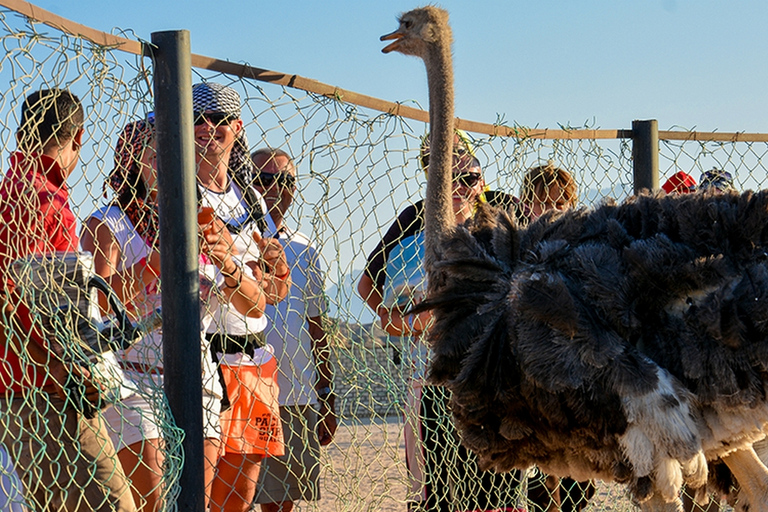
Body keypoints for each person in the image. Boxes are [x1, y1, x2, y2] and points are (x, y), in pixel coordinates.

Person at [81, 117, 273, 511]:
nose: (170, 164)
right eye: (157, 154)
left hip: (197, 376)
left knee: (194, 503)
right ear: (134, 160)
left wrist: (226, 262)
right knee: (154, 500)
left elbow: (255, 306)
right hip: (134, 377)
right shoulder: (107, 223)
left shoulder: (201, 219)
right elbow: (98, 302)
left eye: (179, 155)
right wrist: (158, 259)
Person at [358, 131, 525, 512]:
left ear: (479, 177)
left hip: (494, 374)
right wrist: (392, 318)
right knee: (437, 487)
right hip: (432, 377)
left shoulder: (499, 219)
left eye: (467, 177)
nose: (458, 186)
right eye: (444, 175)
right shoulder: (414, 220)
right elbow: (368, 281)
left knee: (499, 485)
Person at [0, 89, 136, 511]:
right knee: (115, 503)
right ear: (78, 137)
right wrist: (64, 362)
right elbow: (22, 296)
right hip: (48, 389)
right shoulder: (45, 198)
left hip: (25, 385)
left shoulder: (13, 188)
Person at [191, 82, 291, 512]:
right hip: (205, 358)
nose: (207, 128)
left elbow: (277, 289)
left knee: (240, 500)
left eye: (218, 120)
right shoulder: (181, 193)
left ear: (238, 127)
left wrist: (270, 273)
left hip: (253, 360)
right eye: (196, 119)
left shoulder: (252, 199)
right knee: (201, 495)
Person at [249, 148, 338, 512]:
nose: (275, 188)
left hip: (297, 393)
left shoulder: (305, 249)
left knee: (283, 502)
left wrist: (326, 391)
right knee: (238, 497)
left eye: (285, 180)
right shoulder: (237, 240)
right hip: (249, 387)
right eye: (265, 179)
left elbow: (317, 326)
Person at [520, 162, 595, 512]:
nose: (551, 209)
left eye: (560, 202)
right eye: (542, 201)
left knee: (580, 482)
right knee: (542, 477)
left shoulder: (581, 248)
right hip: (533, 372)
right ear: (526, 205)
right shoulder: (519, 250)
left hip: (575, 370)